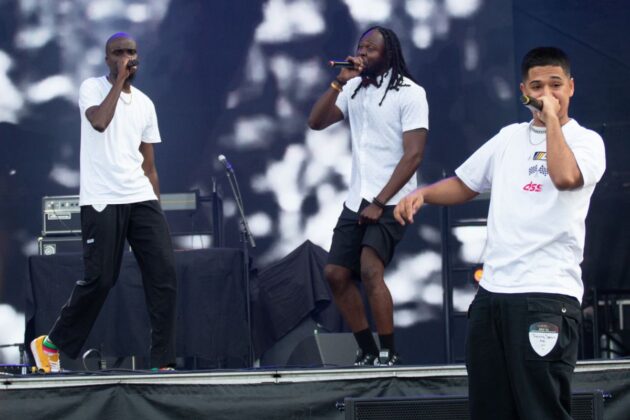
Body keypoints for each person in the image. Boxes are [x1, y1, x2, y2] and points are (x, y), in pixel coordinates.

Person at [394, 47, 605, 419]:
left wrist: (552, 121)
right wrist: (423, 194)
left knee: (542, 409)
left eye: (555, 85)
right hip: (492, 295)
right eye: (536, 86)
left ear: (571, 88)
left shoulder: (586, 142)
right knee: (490, 409)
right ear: (523, 90)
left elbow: (564, 177)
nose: (545, 94)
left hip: (546, 295)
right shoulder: (508, 137)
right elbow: (467, 183)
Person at [30, 33, 177, 372]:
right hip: (102, 199)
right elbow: (99, 122)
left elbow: (149, 165)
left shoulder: (145, 104)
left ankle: (163, 363)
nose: (127, 58)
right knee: (102, 279)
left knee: (164, 274)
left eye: (132, 52)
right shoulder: (92, 89)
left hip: (140, 197)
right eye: (118, 53)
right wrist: (120, 82)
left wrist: (158, 212)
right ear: (106, 58)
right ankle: (51, 344)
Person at [308, 26, 429, 366]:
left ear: (388, 54)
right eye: (360, 46)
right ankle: (367, 349)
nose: (363, 53)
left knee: (370, 270)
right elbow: (316, 122)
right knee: (334, 273)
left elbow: (414, 155)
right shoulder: (354, 89)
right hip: (357, 197)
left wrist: (379, 202)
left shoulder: (410, 93)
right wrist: (339, 82)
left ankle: (389, 352)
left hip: (392, 199)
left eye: (371, 49)